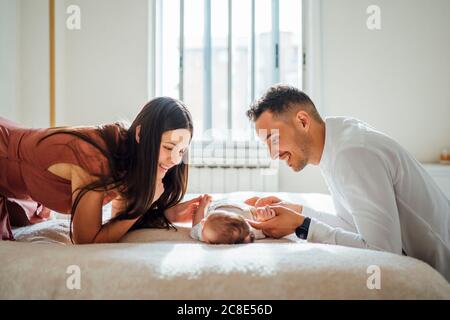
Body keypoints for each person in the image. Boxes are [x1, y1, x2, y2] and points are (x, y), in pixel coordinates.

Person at [245, 84, 450, 281]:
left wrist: (303, 226)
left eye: (273, 139)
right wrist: (298, 212)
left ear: (303, 121)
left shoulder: (351, 153)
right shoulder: (338, 143)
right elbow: (354, 225)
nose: (273, 154)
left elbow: (383, 253)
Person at [0, 97, 203, 244]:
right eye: (168, 147)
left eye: (181, 151)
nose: (175, 159)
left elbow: (119, 216)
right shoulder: (97, 158)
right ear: (141, 134)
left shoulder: (129, 154)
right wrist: (146, 202)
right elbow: (86, 240)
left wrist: (164, 214)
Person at [190, 195, 275, 244]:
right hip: (243, 210)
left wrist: (202, 206)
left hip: (218, 206)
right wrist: (264, 219)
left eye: (204, 224)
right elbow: (266, 228)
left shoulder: (202, 234)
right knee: (256, 205)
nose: (202, 222)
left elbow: (196, 224)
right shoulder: (252, 229)